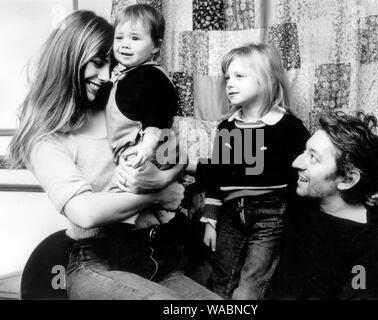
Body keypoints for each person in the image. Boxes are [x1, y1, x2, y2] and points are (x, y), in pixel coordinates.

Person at [8, 10, 221, 300]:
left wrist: (164, 176)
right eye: (98, 63)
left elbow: (175, 151)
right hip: (95, 262)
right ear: (70, 59)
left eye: (110, 63)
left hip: (156, 260)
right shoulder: (44, 139)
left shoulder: (113, 105)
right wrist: (158, 195)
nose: (108, 74)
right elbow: (86, 212)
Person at [197, 43, 310, 300]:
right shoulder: (226, 127)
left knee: (248, 289)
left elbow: (309, 169)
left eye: (239, 76)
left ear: (266, 80)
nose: (229, 83)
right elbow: (217, 174)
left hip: (271, 215)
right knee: (219, 281)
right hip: (230, 215)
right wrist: (210, 221)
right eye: (227, 77)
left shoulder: (288, 126)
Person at [269, 111, 378, 300]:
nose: (296, 162)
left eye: (313, 157)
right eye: (304, 151)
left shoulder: (376, 243)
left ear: (348, 179)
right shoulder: (302, 204)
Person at [106, 3, 179, 226]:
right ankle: (157, 219)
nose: (125, 45)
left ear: (156, 46)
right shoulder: (123, 75)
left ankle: (157, 221)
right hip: (137, 152)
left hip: (146, 151)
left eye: (135, 39)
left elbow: (156, 115)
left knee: (122, 198)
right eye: (119, 38)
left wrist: (148, 145)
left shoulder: (149, 76)